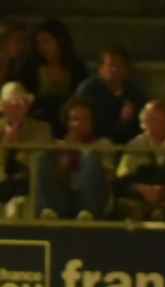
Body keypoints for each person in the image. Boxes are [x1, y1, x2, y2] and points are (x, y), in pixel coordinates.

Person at [32, 95, 110, 220]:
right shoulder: (57, 146)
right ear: (68, 122)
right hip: (62, 197)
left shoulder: (103, 144)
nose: (80, 124)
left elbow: (109, 177)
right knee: (42, 157)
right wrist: (62, 167)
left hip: (90, 199)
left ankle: (87, 213)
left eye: (85, 119)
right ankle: (48, 211)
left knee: (90, 156)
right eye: (75, 119)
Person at [18, 19, 85, 134]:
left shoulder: (76, 67)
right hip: (38, 122)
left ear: (60, 41)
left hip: (68, 123)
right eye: (38, 43)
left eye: (46, 42)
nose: (42, 47)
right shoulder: (30, 68)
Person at [74, 46, 145, 146]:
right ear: (101, 69)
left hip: (126, 145)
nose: (114, 69)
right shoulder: (89, 90)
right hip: (93, 143)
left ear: (126, 69)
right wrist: (121, 121)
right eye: (110, 65)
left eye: (118, 65)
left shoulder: (134, 93)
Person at [0, 80, 51, 218]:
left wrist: (18, 145)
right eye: (11, 103)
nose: (15, 107)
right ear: (2, 107)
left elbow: (40, 159)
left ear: (27, 106)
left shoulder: (42, 129)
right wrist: (6, 143)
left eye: (20, 103)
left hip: (30, 183)